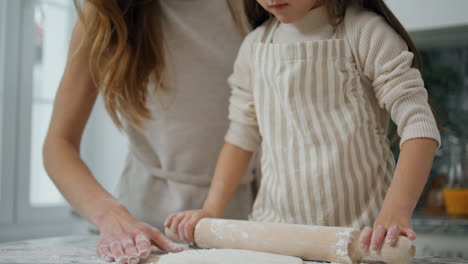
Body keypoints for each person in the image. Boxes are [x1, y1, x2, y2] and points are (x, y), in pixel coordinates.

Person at [167, 0, 441, 253]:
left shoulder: (365, 33)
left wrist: (395, 212)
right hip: (274, 240)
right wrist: (212, 209)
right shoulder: (254, 46)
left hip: (362, 238)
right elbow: (241, 137)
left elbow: (419, 126)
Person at [42, 1, 256, 263]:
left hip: (245, 220)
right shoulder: (103, 13)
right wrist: (110, 216)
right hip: (141, 227)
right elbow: (58, 144)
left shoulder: (254, 5)